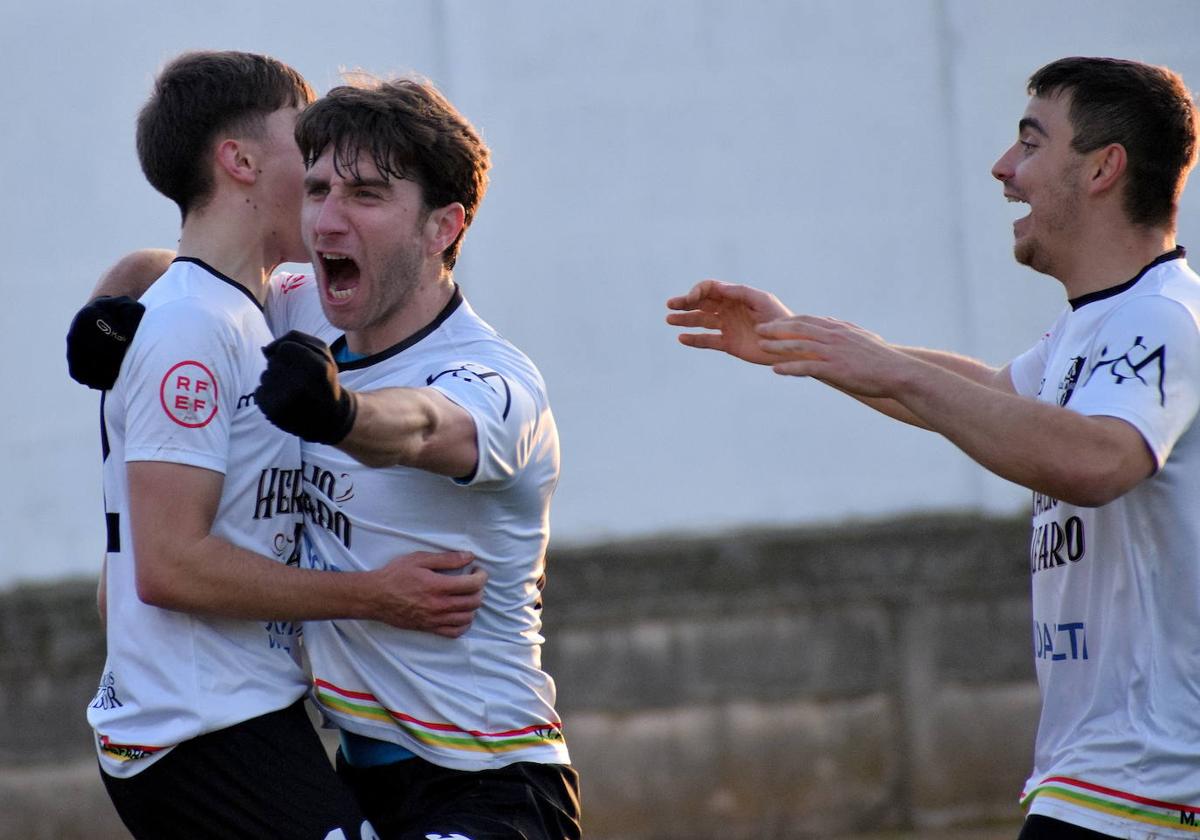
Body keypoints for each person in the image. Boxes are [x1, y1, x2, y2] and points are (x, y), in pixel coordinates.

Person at [667, 56, 1200, 840]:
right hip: (1098, 782)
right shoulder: (1095, 325)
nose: (1003, 168)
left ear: (1102, 169)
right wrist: (806, 343)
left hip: (1150, 795)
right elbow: (992, 395)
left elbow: (1097, 460)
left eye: (1030, 142)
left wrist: (880, 362)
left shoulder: (1163, 317)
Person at [71, 74, 581, 839]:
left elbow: (423, 429)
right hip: (349, 776)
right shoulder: (302, 305)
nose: (327, 220)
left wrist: (344, 415)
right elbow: (182, 267)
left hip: (489, 782)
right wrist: (110, 308)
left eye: (367, 195)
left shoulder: (493, 379)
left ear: (445, 226)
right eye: (316, 189)